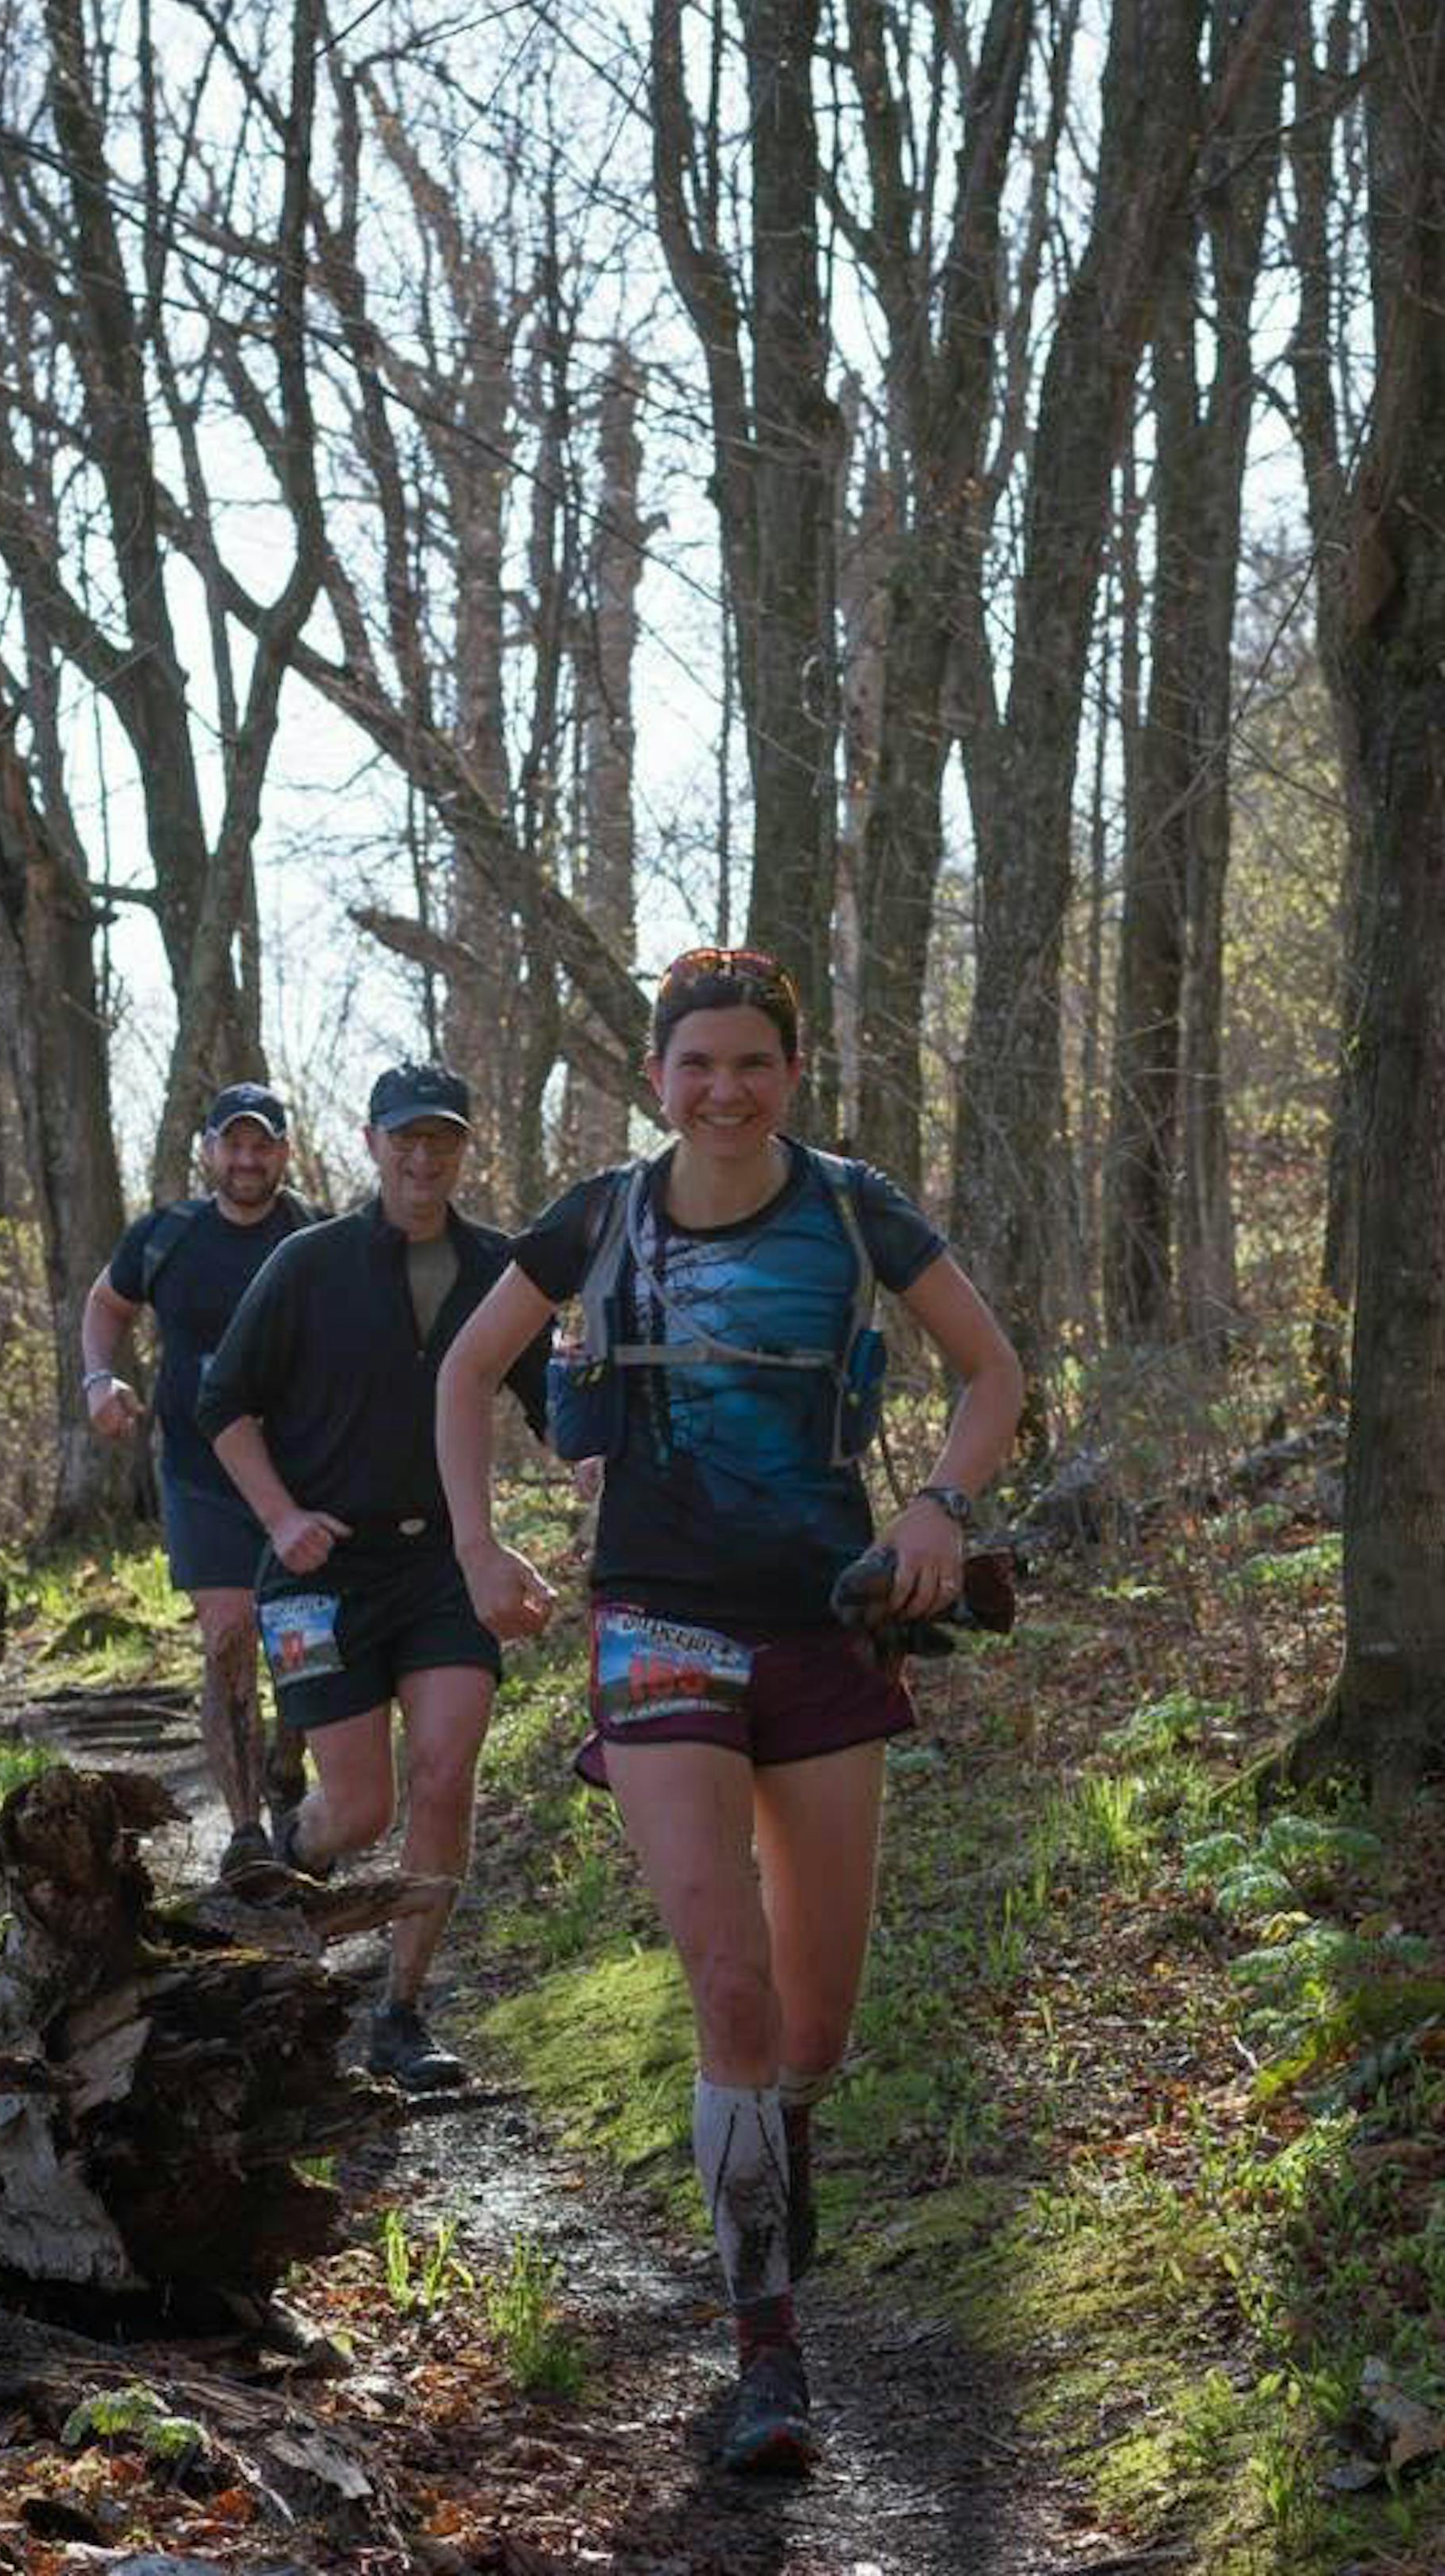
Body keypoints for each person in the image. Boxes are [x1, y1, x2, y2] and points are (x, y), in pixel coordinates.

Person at [436, 946, 1023, 2474]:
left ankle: (780, 2140)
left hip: (831, 1627)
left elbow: (992, 1372)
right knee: (733, 1988)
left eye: (751, 1062)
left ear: (792, 1072)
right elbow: (464, 1372)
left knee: (815, 2024)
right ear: (657, 1079)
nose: (723, 1090)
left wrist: (940, 1509)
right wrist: (481, 1544)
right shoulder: (602, 1215)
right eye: (696, 1064)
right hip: (656, 1625)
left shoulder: (851, 1207)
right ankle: (768, 2348)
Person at [197, 1063, 550, 2091]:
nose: (423, 1155)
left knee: (445, 1773)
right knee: (356, 1810)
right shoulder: (309, 1264)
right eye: (406, 1137)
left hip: (442, 1561)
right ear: (370, 1144)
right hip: (321, 1571)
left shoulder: (501, 1268)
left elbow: (550, 1397)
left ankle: (401, 2011)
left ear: (466, 1149)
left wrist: (596, 1456)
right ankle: (279, 1874)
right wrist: (280, 1515)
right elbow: (223, 1406)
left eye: (443, 1138)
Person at [83, 1082, 318, 1883]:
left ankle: (291, 1759)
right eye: (234, 1143)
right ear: (210, 1150)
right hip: (198, 1473)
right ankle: (248, 1829)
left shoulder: (317, 1237)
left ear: (284, 1151)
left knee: (304, 1642)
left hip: (302, 1476)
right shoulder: (166, 1237)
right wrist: (98, 1381)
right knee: (226, 1636)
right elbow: (106, 1305)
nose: (248, 1159)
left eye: (263, 1144)